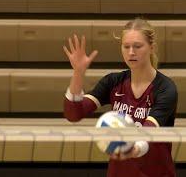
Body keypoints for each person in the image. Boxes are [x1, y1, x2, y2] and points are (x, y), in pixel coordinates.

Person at [63, 18, 178, 177]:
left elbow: (148, 133)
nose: (131, 52)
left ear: (152, 48)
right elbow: (73, 114)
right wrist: (78, 73)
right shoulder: (113, 82)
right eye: (126, 46)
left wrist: (132, 149)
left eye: (137, 46)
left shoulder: (165, 88)